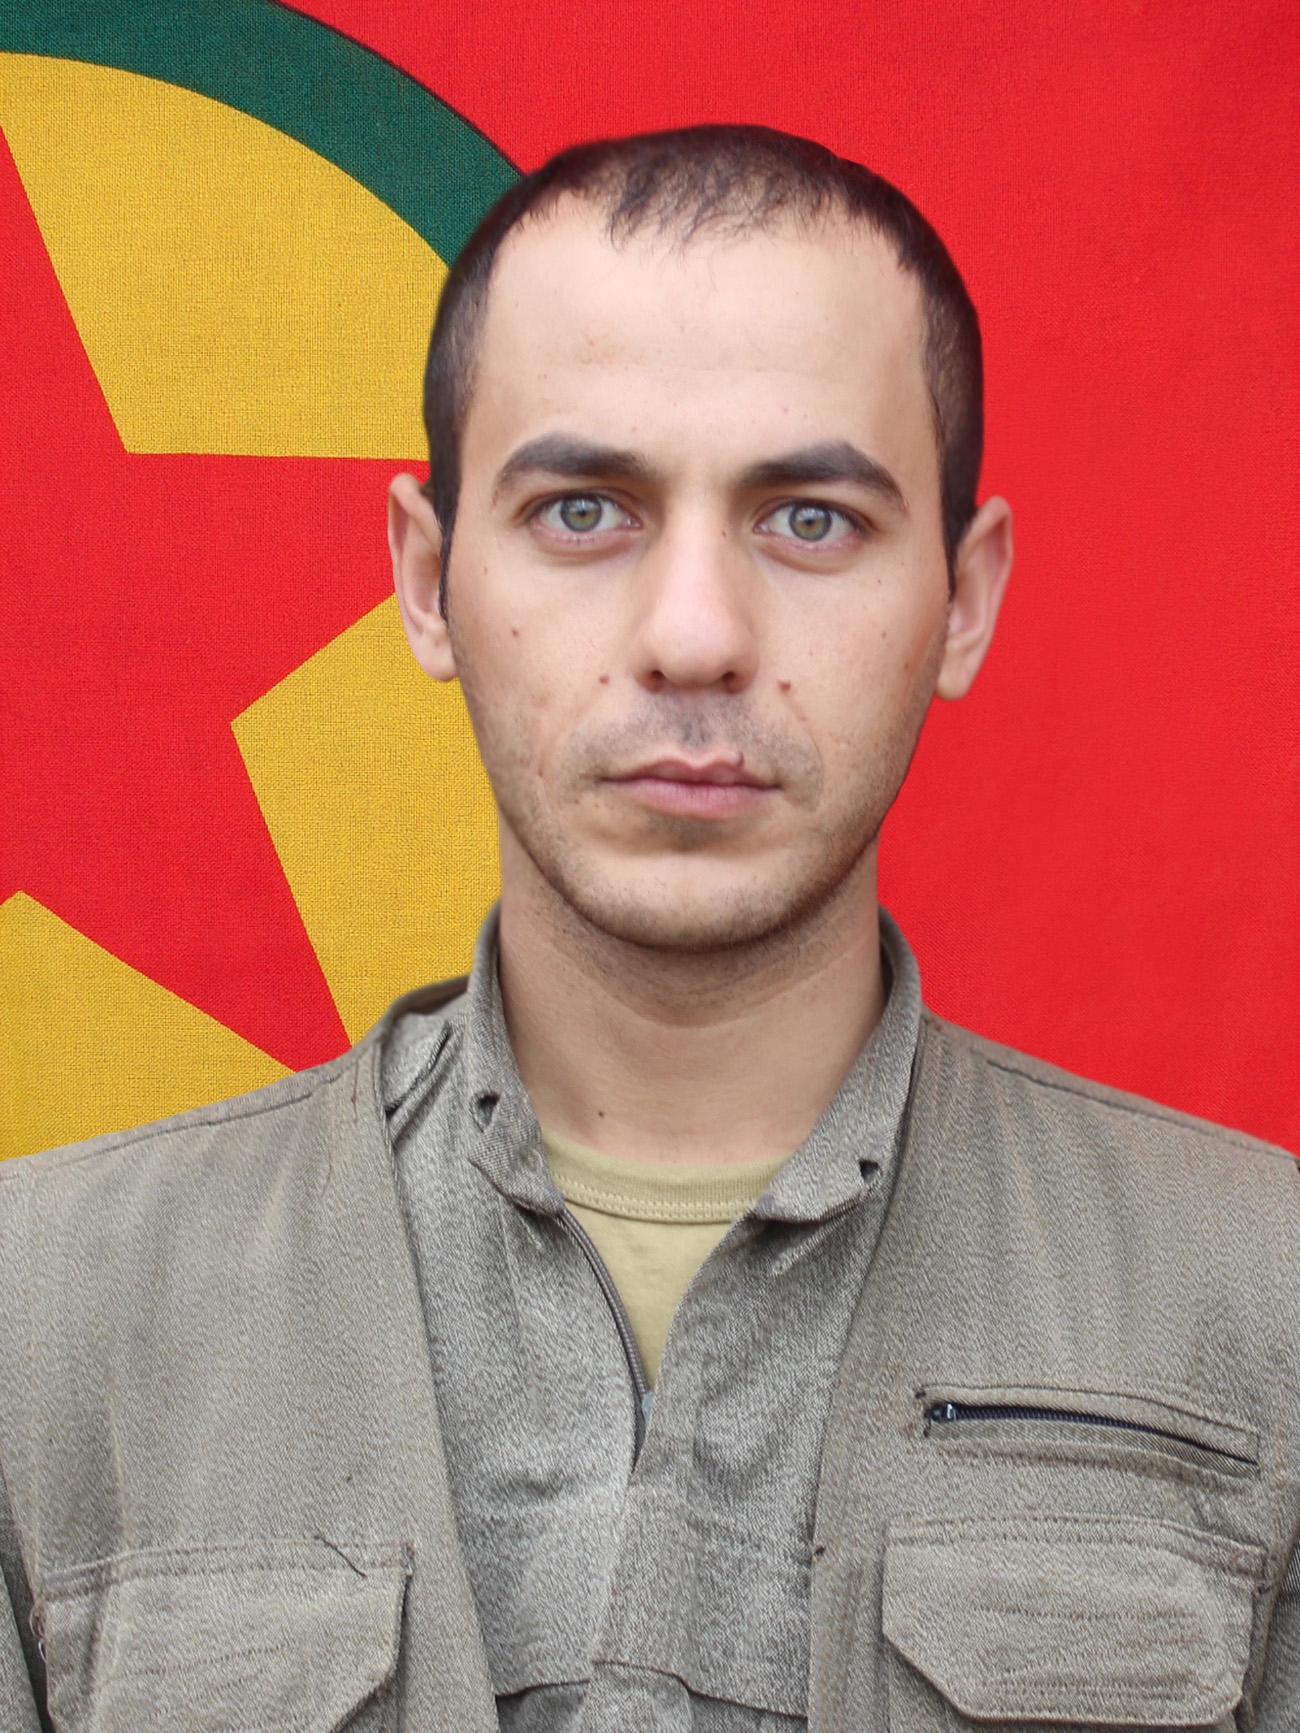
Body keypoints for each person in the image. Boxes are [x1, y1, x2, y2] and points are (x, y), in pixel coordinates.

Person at [1, 126, 1296, 1733]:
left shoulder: (1265, 1302)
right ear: (427, 579)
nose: (694, 634)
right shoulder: (42, 1322)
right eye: (582, 510)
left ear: (963, 600)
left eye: (810, 518)